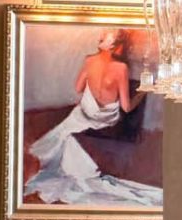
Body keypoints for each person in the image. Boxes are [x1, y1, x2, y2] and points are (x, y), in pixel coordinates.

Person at [25, 29, 161, 209]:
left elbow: (78, 87)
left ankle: (37, 164)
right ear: (117, 47)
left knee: (64, 131)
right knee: (68, 135)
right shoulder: (120, 68)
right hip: (105, 118)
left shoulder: (89, 61)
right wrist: (144, 90)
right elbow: (126, 107)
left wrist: (93, 87)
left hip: (85, 113)